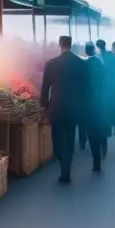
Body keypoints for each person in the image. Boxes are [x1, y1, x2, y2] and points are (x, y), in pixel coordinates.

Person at [41, 35, 88, 183]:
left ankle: (64, 166)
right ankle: (67, 166)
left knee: (57, 139)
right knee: (70, 137)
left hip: (57, 107)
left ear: (60, 45)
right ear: (71, 44)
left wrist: (44, 104)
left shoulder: (51, 64)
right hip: (74, 108)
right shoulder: (81, 64)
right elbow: (85, 87)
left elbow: (45, 88)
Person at [83, 42, 111, 170]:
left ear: (86, 52)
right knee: (101, 129)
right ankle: (104, 146)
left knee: (92, 133)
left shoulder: (84, 66)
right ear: (94, 51)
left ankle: (96, 160)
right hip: (102, 103)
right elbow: (106, 85)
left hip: (88, 105)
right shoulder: (101, 65)